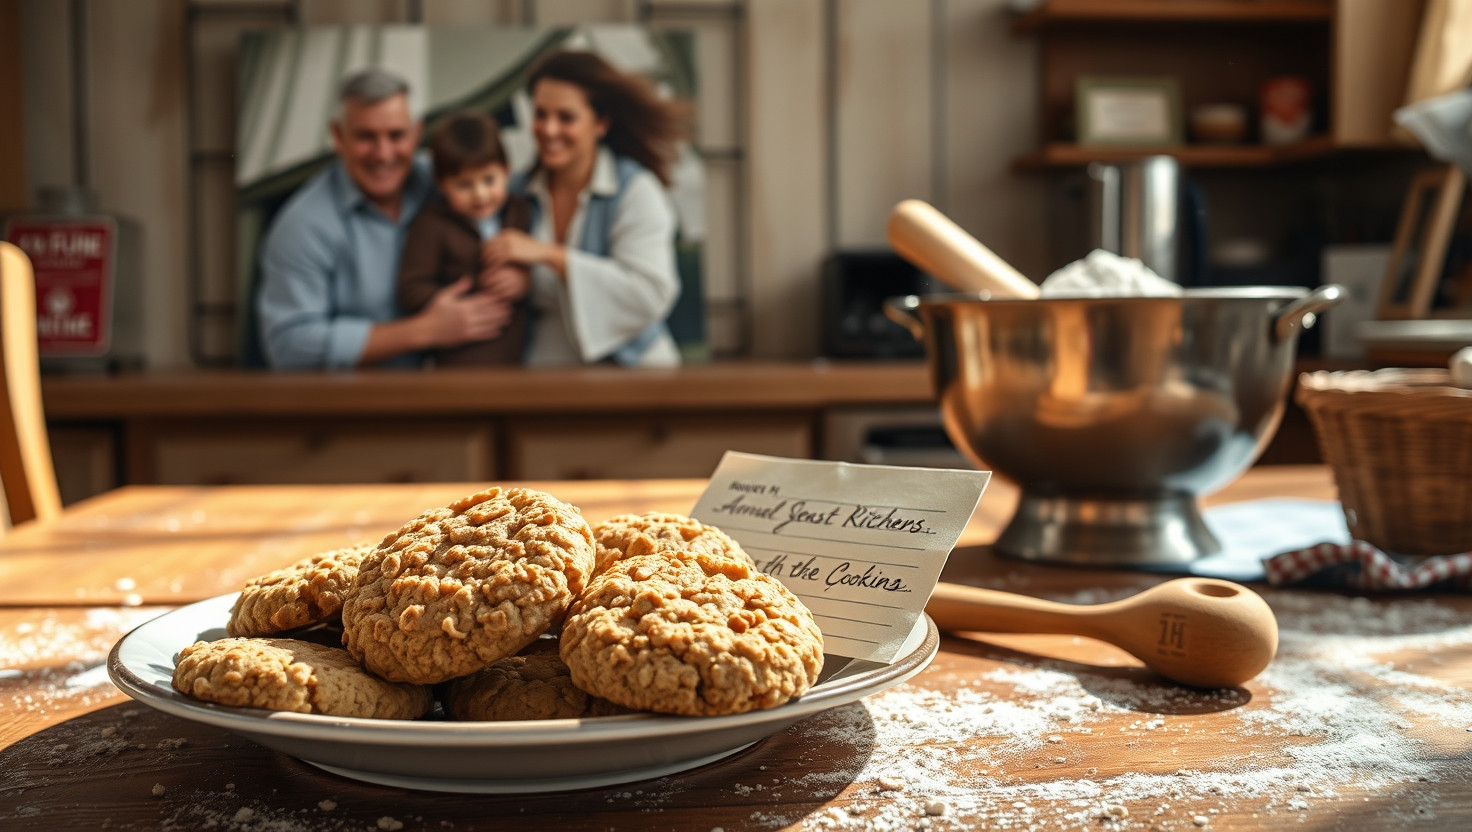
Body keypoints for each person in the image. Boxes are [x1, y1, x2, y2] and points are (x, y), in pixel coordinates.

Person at [256, 68, 511, 370]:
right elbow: (289, 345)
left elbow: (515, 198)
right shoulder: (301, 225)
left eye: (396, 135)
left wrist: (522, 267)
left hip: (460, 390)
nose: (383, 153)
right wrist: (425, 331)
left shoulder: (449, 181)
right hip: (356, 407)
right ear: (338, 136)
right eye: (366, 137)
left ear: (416, 133)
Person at [481, 50, 687, 367]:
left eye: (566, 117)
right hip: (542, 377)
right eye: (540, 114)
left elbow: (650, 293)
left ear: (601, 123)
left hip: (635, 377)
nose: (548, 130)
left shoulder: (636, 190)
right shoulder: (516, 192)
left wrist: (550, 256)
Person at [397, 112, 533, 366]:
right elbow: (410, 289)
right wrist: (456, 303)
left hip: (520, 364)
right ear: (441, 184)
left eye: (489, 180)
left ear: (507, 170)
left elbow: (543, 270)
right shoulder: (430, 225)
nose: (480, 194)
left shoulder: (521, 213)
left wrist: (524, 283)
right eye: (464, 185)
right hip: (460, 366)